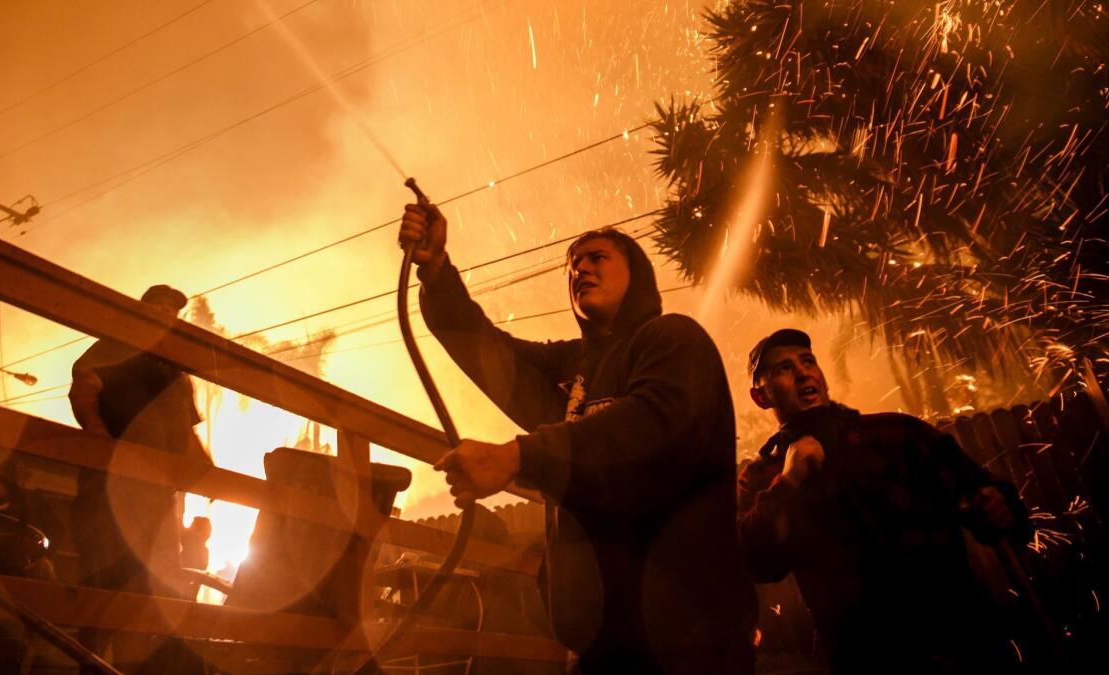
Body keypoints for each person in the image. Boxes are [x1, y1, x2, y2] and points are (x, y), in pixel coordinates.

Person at [399, 204, 757, 674]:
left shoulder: (674, 340)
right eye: (573, 265)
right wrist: (437, 273)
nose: (580, 269)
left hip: (692, 640)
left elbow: (653, 423)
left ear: (638, 276)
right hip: (599, 642)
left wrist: (517, 456)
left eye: (597, 257)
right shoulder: (569, 374)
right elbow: (489, 350)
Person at [736, 329, 1032, 674]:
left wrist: (999, 507)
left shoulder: (897, 434)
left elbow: (992, 499)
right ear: (761, 396)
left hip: (961, 643)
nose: (804, 373)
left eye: (808, 361)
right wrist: (788, 484)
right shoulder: (761, 477)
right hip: (865, 658)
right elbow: (755, 563)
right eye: (784, 369)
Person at [68, 284, 211, 672]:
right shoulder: (117, 345)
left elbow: (189, 429)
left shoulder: (177, 373)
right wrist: (100, 441)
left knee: (153, 588)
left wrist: (208, 476)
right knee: (107, 582)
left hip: (161, 495)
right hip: (113, 488)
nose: (166, 314)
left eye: (172, 310)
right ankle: (89, 665)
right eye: (159, 306)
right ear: (142, 308)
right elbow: (84, 386)